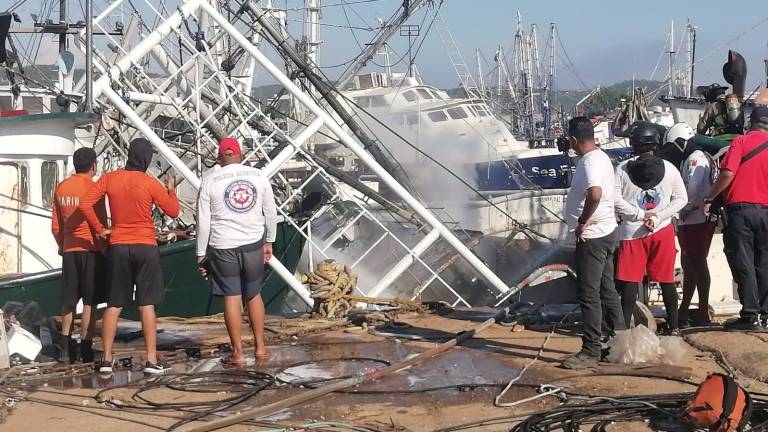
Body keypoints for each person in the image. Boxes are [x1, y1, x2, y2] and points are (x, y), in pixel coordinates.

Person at [79, 138, 179, 374]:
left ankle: (106, 359)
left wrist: (101, 229)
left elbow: (85, 204)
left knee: (114, 304)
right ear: (145, 159)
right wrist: (171, 189)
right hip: (145, 245)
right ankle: (151, 360)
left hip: (119, 246)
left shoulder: (110, 178)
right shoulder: (149, 183)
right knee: (147, 304)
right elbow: (174, 211)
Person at [196, 137, 277, 364]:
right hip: (253, 243)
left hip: (223, 246)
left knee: (231, 297)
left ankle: (238, 353)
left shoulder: (210, 181)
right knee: (253, 293)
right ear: (241, 154)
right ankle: (261, 348)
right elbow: (270, 212)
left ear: (220, 157)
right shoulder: (259, 176)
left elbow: (204, 222)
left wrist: (201, 253)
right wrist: (269, 240)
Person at [561, 117, 626, 370]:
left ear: (575, 140)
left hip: (593, 237)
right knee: (607, 288)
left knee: (588, 293)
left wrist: (582, 221)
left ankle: (590, 350)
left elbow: (595, 193)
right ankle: (619, 338)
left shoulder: (590, 162)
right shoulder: (602, 158)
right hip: (607, 232)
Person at [614, 122, 688, 335]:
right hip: (661, 230)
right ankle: (674, 327)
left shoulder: (621, 169)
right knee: (666, 281)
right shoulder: (670, 168)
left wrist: (638, 214)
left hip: (631, 231)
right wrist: (658, 216)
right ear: (656, 143)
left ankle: (624, 330)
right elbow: (682, 199)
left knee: (629, 283)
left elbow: (615, 199)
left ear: (633, 144)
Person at [703, 106, 768, 330]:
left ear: (751, 123)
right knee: (764, 262)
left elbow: (728, 174)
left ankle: (750, 315)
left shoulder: (741, 142)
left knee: (744, 261)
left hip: (742, 210)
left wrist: (709, 196)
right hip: (766, 211)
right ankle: (765, 315)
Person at [51, 148, 108, 363]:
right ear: (93, 165)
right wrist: (104, 248)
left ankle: (65, 346)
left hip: (69, 250)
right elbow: (99, 223)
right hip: (90, 249)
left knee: (68, 300)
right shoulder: (93, 189)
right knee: (89, 301)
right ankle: (86, 345)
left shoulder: (62, 188)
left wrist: (62, 245)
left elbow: (56, 225)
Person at [662, 123, 718, 327]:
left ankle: (699, 309)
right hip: (695, 218)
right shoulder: (699, 157)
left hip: (696, 219)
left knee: (697, 263)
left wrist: (679, 208)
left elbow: (691, 190)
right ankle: (686, 307)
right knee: (691, 264)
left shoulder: (695, 159)